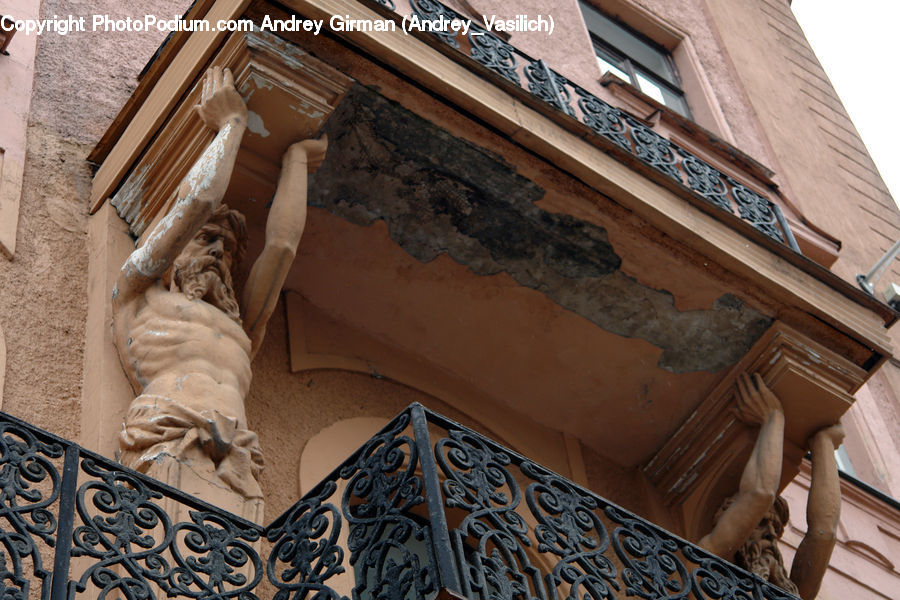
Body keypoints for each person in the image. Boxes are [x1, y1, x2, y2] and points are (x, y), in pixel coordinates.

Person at [111, 66, 327, 520]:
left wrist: (296, 163)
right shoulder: (140, 292)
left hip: (239, 454)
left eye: (226, 247)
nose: (217, 251)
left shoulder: (241, 325)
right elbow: (197, 204)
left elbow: (283, 248)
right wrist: (231, 125)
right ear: (172, 247)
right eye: (204, 239)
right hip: (168, 433)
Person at [698, 373, 844, 599]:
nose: (770, 531)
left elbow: (824, 533)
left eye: (775, 527)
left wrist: (823, 443)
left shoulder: (788, 591)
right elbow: (759, 494)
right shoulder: (707, 562)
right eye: (758, 521)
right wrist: (772, 418)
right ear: (730, 519)